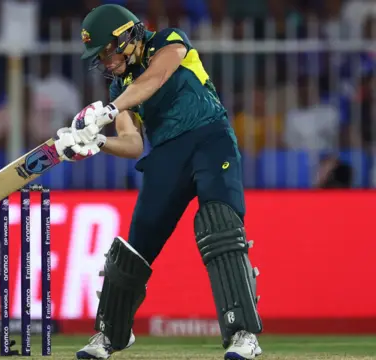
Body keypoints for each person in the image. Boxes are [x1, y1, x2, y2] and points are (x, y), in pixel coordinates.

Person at [52, 5, 263, 360]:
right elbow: (133, 143)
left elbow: (155, 78)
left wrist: (108, 110)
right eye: (100, 55)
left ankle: (243, 334)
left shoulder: (169, 40)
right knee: (134, 249)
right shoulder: (121, 86)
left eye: (108, 49)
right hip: (166, 157)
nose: (106, 60)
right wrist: (98, 142)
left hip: (210, 141)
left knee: (221, 228)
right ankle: (110, 335)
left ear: (128, 36)